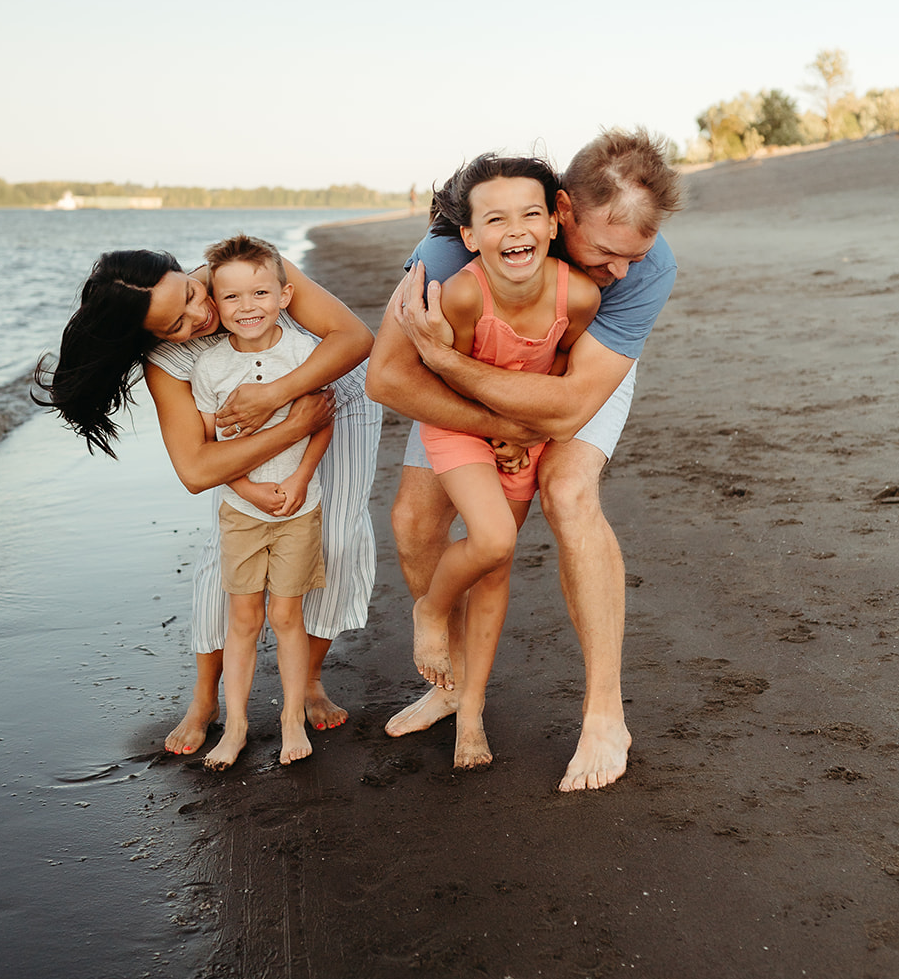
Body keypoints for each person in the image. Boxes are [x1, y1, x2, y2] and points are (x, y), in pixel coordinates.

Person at [365, 128, 681, 792]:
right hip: (475, 368)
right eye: (604, 250)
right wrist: (490, 419)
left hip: (578, 368)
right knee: (414, 522)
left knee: (567, 494)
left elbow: (567, 407)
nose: (621, 268)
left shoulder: (641, 268)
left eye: (636, 254)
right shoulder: (451, 251)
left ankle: (604, 716)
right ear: (562, 211)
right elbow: (390, 378)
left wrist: (462, 375)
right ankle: (450, 682)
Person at [35, 245, 380, 754]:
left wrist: (278, 396)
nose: (202, 314)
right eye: (175, 323)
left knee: (338, 541)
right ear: (150, 336)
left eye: (193, 293)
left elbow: (355, 338)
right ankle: (205, 699)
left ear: (187, 272)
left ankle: (307, 678)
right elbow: (196, 470)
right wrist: (291, 427)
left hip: (331, 400)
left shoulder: (246, 272)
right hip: (262, 438)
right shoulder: (168, 362)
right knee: (224, 565)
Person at [404, 154, 600, 770]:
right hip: (462, 426)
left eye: (528, 215)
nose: (513, 230)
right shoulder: (461, 294)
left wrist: (527, 432)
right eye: (494, 219)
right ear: (469, 235)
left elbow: (567, 373)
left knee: (496, 565)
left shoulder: (582, 295)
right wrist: (497, 433)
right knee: (489, 539)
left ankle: (470, 712)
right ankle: (431, 610)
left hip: (529, 429)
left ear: (552, 225)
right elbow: (450, 385)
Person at [190, 235, 334, 770]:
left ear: (285, 294)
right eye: (231, 298)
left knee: (288, 616)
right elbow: (210, 448)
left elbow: (321, 423)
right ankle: (237, 726)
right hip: (241, 512)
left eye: (259, 293)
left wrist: (300, 479)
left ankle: (291, 718)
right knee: (244, 618)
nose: (246, 307)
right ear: (215, 304)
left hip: (302, 504)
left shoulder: (303, 356)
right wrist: (247, 490)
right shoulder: (210, 368)